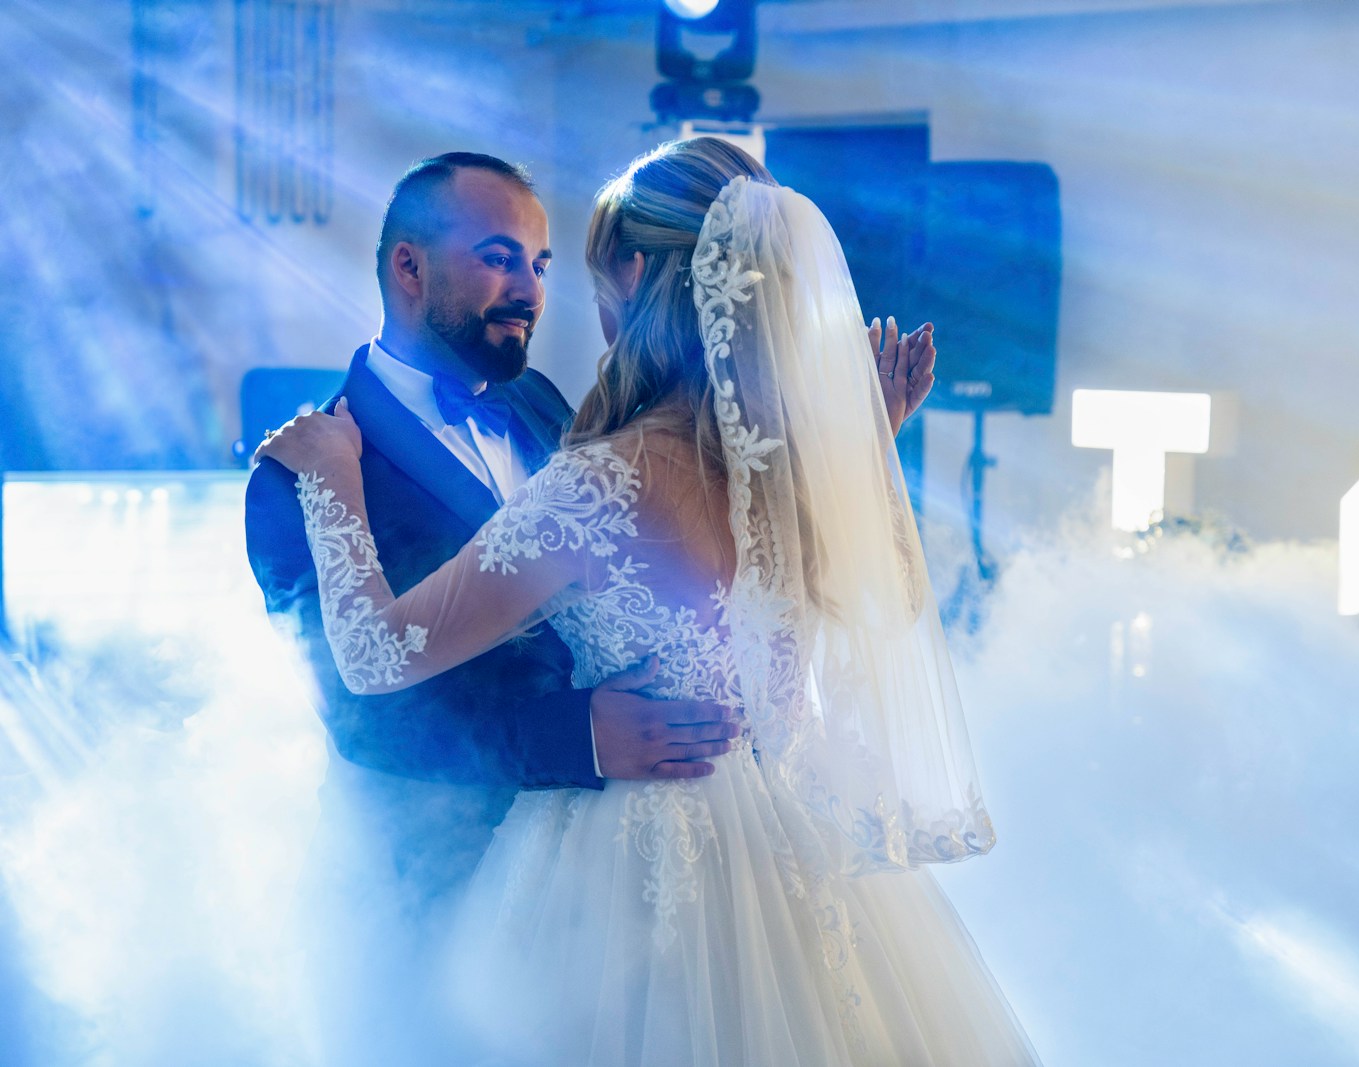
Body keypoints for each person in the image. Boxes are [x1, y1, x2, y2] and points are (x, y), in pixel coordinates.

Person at [257, 138, 1033, 1065]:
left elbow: (377, 653)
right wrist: (854, 461)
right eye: (502, 258)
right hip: (772, 845)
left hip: (621, 870)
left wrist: (334, 480)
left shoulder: (599, 466)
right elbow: (878, 601)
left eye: (554, 267)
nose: (539, 292)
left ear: (632, 273)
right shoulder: (775, 475)